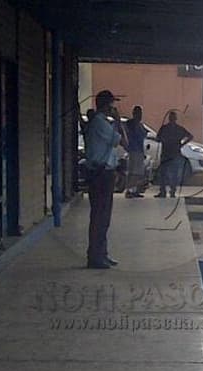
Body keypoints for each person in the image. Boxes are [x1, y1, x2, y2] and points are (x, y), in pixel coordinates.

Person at [84, 90, 126, 269]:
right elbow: (122, 140)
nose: (114, 108)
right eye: (112, 105)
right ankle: (95, 256)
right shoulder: (100, 123)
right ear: (106, 105)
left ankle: (102, 253)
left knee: (104, 217)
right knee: (100, 216)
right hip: (100, 173)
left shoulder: (102, 123)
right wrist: (117, 121)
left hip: (105, 172)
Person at [154, 111, 194, 198]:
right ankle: (169, 191)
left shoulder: (165, 128)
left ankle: (165, 191)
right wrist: (182, 144)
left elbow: (157, 139)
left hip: (169, 154)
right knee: (169, 173)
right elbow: (190, 136)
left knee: (166, 173)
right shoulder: (176, 128)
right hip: (171, 153)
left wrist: (181, 144)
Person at [125, 106, 147, 198]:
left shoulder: (140, 124)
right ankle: (129, 190)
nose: (140, 115)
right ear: (134, 113)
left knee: (138, 173)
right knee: (134, 172)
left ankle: (134, 190)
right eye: (138, 113)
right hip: (134, 150)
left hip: (139, 150)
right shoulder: (131, 123)